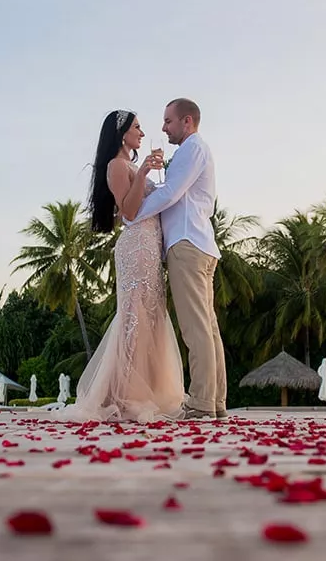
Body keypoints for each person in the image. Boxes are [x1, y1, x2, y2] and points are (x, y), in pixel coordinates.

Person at [55, 110, 186, 422]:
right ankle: (121, 394)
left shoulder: (128, 165)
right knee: (134, 318)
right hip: (136, 246)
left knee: (151, 316)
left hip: (151, 247)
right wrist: (142, 173)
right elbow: (128, 213)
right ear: (122, 133)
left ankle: (146, 390)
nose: (142, 132)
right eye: (137, 127)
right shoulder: (117, 165)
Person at [132, 98, 226, 419]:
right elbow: (176, 192)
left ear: (187, 121)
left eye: (168, 121)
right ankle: (215, 401)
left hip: (187, 244)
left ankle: (201, 403)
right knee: (207, 327)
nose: (162, 128)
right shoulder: (193, 151)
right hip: (197, 243)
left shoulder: (191, 148)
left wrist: (132, 216)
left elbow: (170, 192)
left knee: (195, 328)